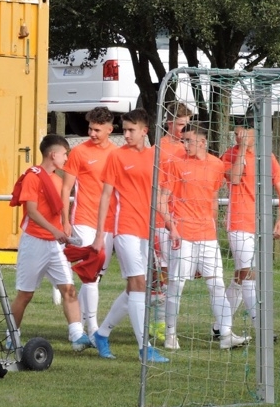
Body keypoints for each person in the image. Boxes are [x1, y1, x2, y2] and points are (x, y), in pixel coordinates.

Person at [157, 126, 248, 351]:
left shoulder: (216, 165)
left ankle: (225, 334)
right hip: (183, 235)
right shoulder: (175, 164)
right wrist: (172, 228)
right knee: (176, 284)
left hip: (207, 236)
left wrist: (214, 228)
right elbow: (161, 201)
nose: (184, 144)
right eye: (183, 140)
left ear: (202, 142)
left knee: (216, 284)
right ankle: (170, 334)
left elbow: (217, 195)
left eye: (189, 140)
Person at [90, 108, 169, 363]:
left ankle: (101, 334)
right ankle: (144, 347)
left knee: (133, 288)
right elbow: (105, 196)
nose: (126, 134)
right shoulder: (117, 156)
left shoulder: (155, 156)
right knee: (139, 284)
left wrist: (171, 225)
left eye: (131, 130)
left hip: (146, 229)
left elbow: (159, 195)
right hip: (124, 228)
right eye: (124, 130)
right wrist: (100, 234)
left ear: (144, 131)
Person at [9, 134, 90, 352]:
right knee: (25, 294)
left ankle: (77, 335)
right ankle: (11, 335)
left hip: (54, 244)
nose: (66, 158)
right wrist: (55, 230)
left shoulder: (58, 180)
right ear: (53, 155)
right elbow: (32, 212)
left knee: (69, 289)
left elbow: (60, 208)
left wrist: (65, 224)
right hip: (34, 242)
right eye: (64, 154)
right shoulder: (33, 177)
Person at [220, 123, 280, 337]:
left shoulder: (267, 157)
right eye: (236, 133)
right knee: (250, 274)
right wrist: (241, 149)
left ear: (255, 132)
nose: (239, 136)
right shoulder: (229, 155)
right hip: (238, 222)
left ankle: (219, 325)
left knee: (241, 277)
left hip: (260, 225)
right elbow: (234, 178)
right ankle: (262, 328)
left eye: (244, 133)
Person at [60, 106, 118, 343]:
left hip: (109, 223)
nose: (92, 133)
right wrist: (65, 220)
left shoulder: (117, 153)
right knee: (91, 275)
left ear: (109, 129)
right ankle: (92, 330)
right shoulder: (79, 152)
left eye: (97, 130)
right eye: (90, 128)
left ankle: (80, 325)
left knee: (95, 277)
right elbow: (66, 188)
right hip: (84, 219)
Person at [150, 102, 193, 343]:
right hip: (162, 220)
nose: (184, 129)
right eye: (180, 124)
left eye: (187, 124)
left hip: (185, 220)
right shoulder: (160, 149)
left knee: (178, 276)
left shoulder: (190, 148)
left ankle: (166, 324)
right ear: (169, 123)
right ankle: (158, 323)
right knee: (162, 274)